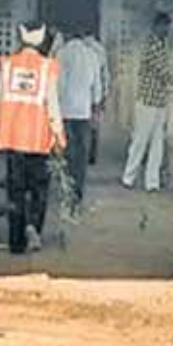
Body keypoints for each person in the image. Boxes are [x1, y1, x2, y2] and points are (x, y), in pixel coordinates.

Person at [0, 20, 66, 254]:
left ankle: (15, 242)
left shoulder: (8, 65)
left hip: (13, 138)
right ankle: (33, 227)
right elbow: (52, 104)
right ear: (42, 37)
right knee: (39, 189)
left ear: (21, 35)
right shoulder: (47, 67)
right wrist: (58, 133)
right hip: (39, 139)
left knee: (15, 190)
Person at [122, 12, 173, 192]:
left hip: (159, 101)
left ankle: (152, 182)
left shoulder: (162, 46)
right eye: (165, 27)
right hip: (147, 101)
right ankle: (128, 178)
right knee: (140, 140)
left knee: (157, 144)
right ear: (157, 27)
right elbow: (164, 74)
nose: (167, 31)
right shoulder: (152, 46)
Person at [55, 27, 103, 212]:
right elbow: (96, 85)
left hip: (65, 111)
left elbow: (57, 85)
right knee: (81, 156)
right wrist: (96, 106)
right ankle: (78, 193)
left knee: (66, 152)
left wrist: (55, 108)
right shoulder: (92, 55)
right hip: (83, 112)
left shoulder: (61, 54)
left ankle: (65, 190)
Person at [83, 29, 111, 165]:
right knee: (94, 127)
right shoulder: (100, 49)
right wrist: (104, 95)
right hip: (96, 94)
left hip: (81, 94)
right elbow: (105, 75)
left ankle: (80, 154)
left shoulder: (77, 48)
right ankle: (91, 156)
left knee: (79, 127)